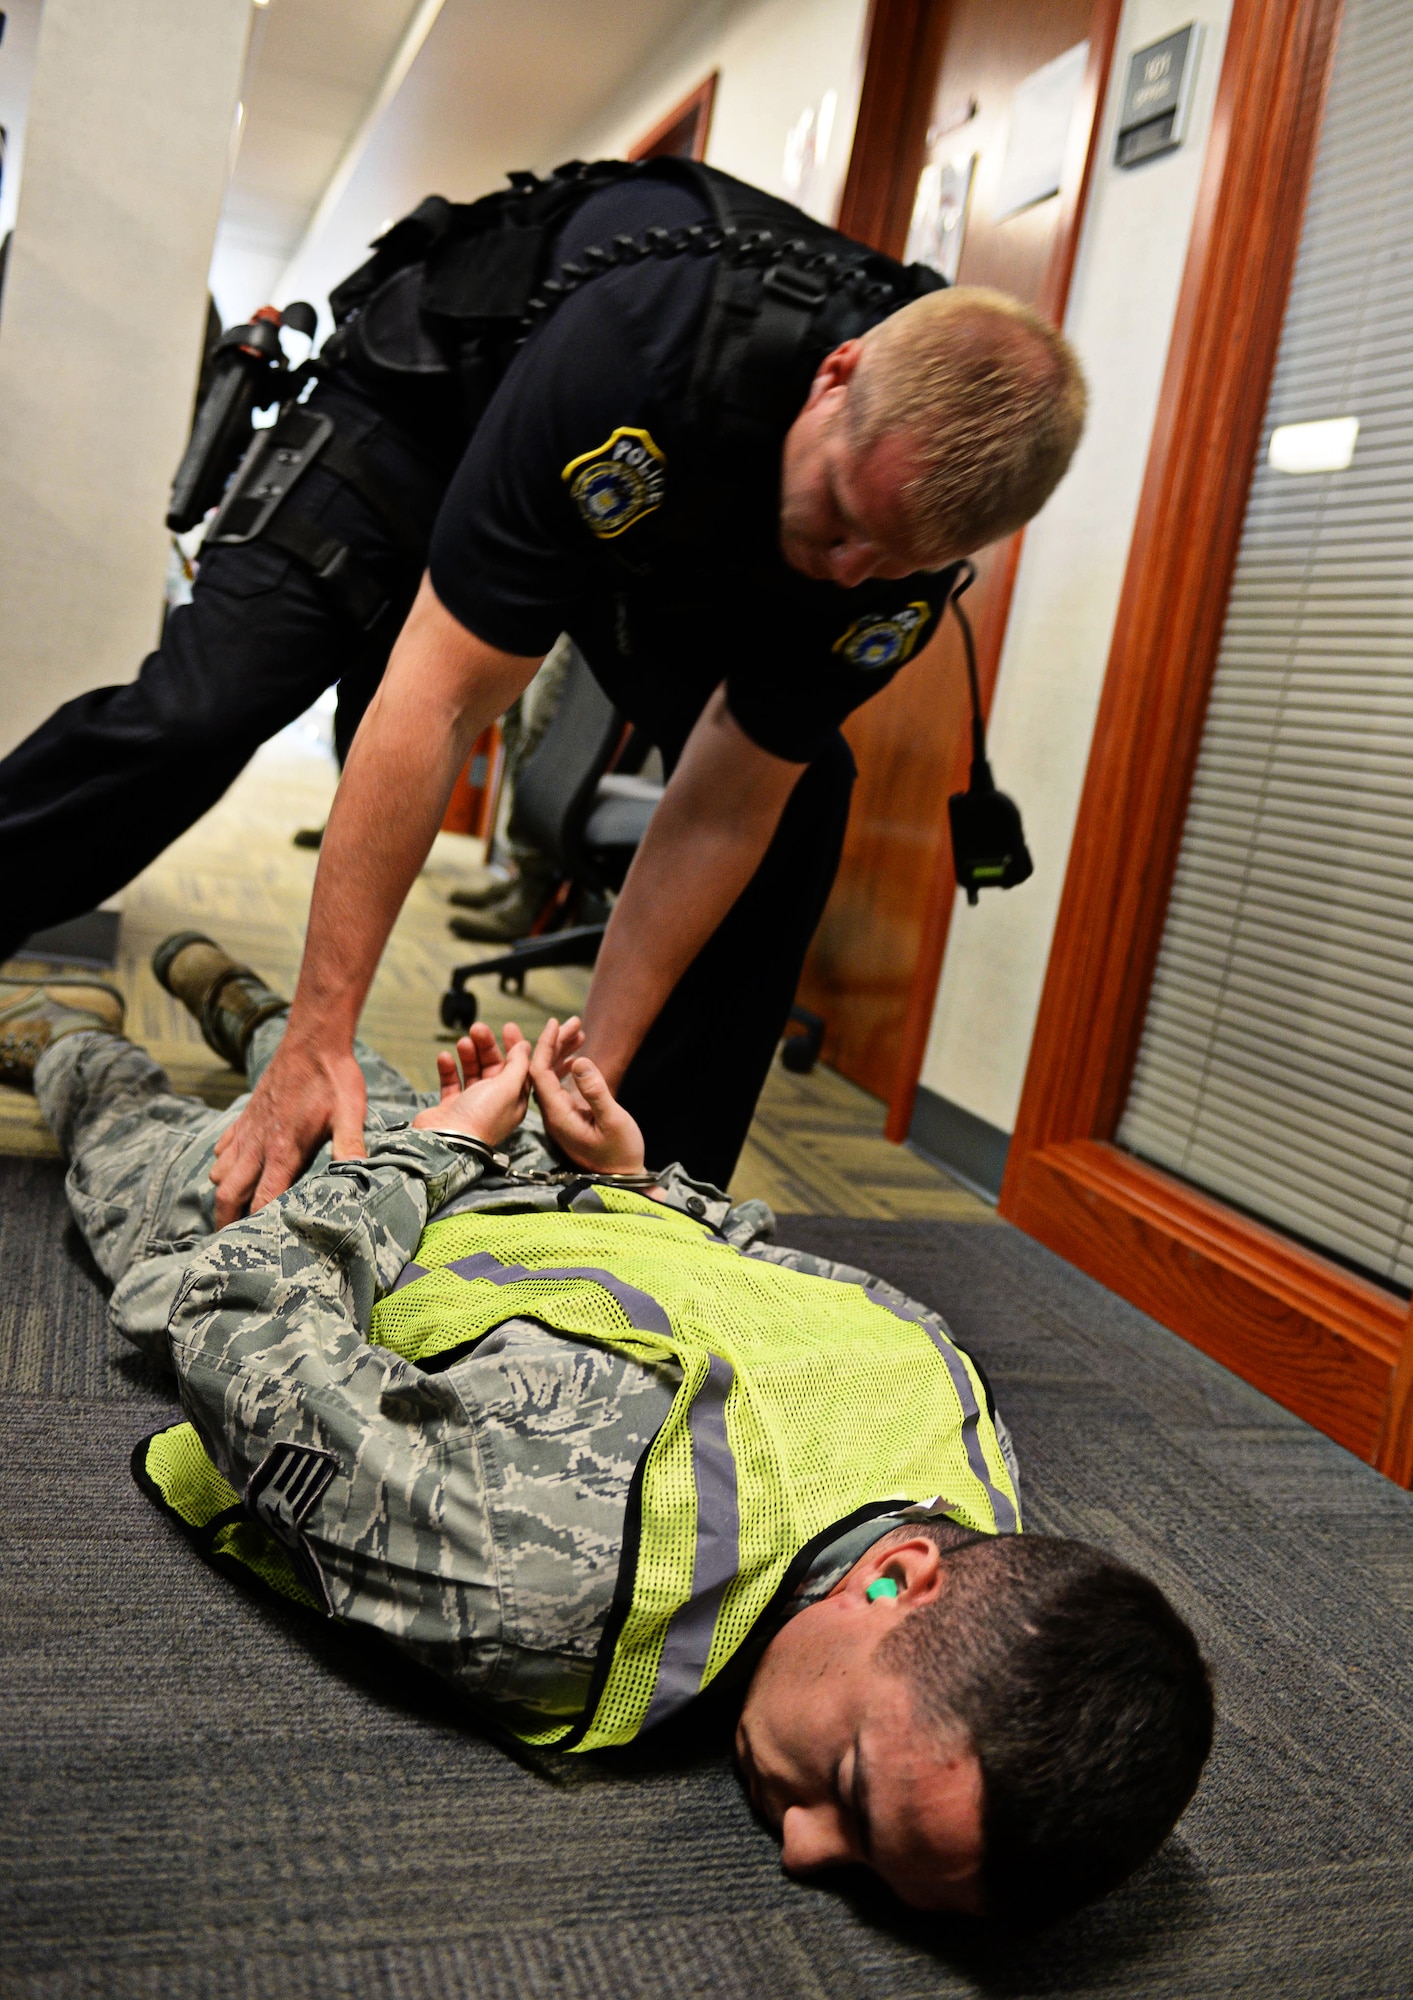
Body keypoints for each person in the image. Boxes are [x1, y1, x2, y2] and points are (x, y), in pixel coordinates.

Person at [1, 939, 1211, 1928]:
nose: (800, 1844)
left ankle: (79, 1034)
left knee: (160, 1112)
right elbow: (236, 1308)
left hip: (419, 1196)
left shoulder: (961, 1414)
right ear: (902, 1577)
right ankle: (253, 1011)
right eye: (847, 1788)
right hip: (385, 1211)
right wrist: (622, 1178)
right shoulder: (565, 1572)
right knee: (255, 1115)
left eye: (856, 1862)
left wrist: (463, 1152)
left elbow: (741, 1263)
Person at [0, 160, 1086, 1194]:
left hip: (664, 512)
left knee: (801, 800)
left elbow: (724, 801)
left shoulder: (890, 559)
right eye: (848, 518)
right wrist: (318, 1041)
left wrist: (585, 1074)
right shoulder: (655, 345)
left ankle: (630, 1180)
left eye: (894, 559)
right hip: (429, 406)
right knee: (206, 709)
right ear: (833, 381)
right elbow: (442, 696)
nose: (848, 569)